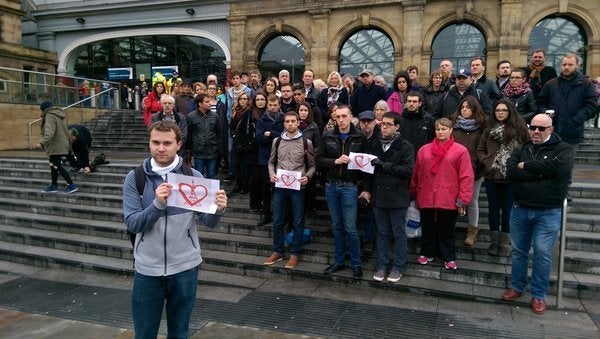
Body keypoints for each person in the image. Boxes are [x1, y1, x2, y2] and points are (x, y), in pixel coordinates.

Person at [123, 121, 228, 338]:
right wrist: (157, 206)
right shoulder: (136, 178)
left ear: (178, 144)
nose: (161, 148)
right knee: (144, 333)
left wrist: (218, 209)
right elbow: (133, 223)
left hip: (185, 268)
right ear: (149, 143)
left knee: (179, 332)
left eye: (167, 143)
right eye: (156, 142)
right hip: (147, 270)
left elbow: (209, 222)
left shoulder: (194, 177)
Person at [501, 113, 573, 315]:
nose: (536, 131)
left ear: (551, 129)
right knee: (518, 251)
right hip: (521, 208)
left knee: (542, 253)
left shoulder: (563, 149)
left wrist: (529, 167)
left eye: (541, 128)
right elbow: (512, 173)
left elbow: (561, 168)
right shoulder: (521, 149)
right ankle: (516, 286)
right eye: (533, 127)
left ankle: (538, 295)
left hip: (548, 211)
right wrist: (543, 173)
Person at [409, 118, 474, 270]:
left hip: (448, 197)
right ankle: (427, 252)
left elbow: (466, 176)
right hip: (426, 195)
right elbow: (416, 173)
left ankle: (448, 256)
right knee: (428, 227)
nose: (440, 131)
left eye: (444, 129)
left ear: (451, 130)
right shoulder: (424, 150)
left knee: (447, 229)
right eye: (438, 129)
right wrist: (413, 191)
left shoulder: (460, 150)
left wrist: (463, 199)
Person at [362, 112, 414, 282]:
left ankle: (398, 266)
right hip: (379, 195)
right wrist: (367, 190)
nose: (384, 127)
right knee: (382, 233)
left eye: (388, 124)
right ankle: (382, 265)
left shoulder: (406, 146)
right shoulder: (376, 144)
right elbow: (369, 171)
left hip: (397, 196)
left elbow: (407, 170)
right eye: (382, 124)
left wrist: (384, 165)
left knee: (398, 233)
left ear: (397, 127)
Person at [317, 105, 367, 279]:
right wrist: (335, 161)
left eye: (344, 116)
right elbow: (319, 160)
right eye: (338, 116)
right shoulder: (327, 136)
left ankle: (356, 263)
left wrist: (366, 189)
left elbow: (367, 165)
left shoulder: (360, 136)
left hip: (350, 186)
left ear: (351, 117)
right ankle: (339, 261)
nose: (341, 120)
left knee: (350, 228)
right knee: (337, 226)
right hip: (331, 185)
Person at [477, 99, 529, 256]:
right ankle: (494, 242)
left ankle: (504, 242)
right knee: (493, 210)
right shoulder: (488, 130)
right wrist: (488, 162)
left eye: (503, 110)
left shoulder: (519, 130)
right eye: (497, 110)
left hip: (511, 177)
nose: (500, 112)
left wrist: (518, 165)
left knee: (507, 210)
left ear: (510, 111)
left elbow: (527, 150)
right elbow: (480, 150)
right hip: (492, 175)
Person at [264, 111, 316, 269]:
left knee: (298, 220)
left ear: (299, 122)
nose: (290, 124)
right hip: (280, 186)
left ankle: (295, 253)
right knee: (278, 220)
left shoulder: (307, 143)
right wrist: (272, 174)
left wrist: (307, 176)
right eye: (287, 121)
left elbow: (312, 165)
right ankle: (277, 251)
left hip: (298, 187)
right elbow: (271, 162)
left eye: (293, 121)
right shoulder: (277, 141)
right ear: (284, 123)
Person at [450, 96, 487, 247]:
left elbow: (484, 148)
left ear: (474, 109)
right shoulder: (453, 125)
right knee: (452, 199)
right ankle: (449, 228)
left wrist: (480, 165)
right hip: (453, 169)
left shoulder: (482, 126)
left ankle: (472, 232)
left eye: (468, 107)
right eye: (462, 107)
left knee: (472, 201)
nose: (464, 110)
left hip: (475, 170)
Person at [35, 102, 78, 194]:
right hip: (60, 144)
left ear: (43, 110)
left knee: (56, 165)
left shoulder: (49, 116)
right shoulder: (58, 115)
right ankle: (54, 185)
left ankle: (71, 185)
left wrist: (41, 142)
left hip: (56, 145)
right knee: (53, 165)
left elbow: (49, 132)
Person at [256, 94, 284, 226]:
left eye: (275, 105)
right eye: (270, 105)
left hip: (281, 159)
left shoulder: (284, 118)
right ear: (268, 105)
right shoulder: (262, 119)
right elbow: (260, 138)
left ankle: (280, 216)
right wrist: (274, 136)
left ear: (279, 105)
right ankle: (266, 214)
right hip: (264, 158)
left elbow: (285, 136)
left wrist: (271, 133)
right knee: (265, 189)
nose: (273, 107)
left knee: (280, 189)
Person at [187, 93, 221, 179]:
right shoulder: (191, 117)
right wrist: (189, 152)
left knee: (211, 175)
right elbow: (189, 135)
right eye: (207, 102)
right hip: (198, 152)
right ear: (200, 104)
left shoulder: (215, 116)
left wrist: (218, 146)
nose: (210, 103)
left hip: (212, 151)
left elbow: (219, 133)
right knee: (198, 176)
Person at [399, 92, 435, 157]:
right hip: (403, 157)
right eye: (409, 101)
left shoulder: (428, 120)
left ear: (420, 103)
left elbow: (432, 140)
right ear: (406, 103)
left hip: (422, 156)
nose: (411, 104)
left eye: (414, 101)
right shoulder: (400, 119)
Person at [230, 92, 252, 194]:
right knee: (237, 165)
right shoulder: (235, 111)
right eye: (241, 99)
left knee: (245, 166)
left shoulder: (249, 112)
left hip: (245, 142)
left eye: (245, 99)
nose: (243, 100)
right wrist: (233, 135)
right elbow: (232, 127)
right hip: (236, 142)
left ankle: (245, 185)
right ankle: (238, 184)